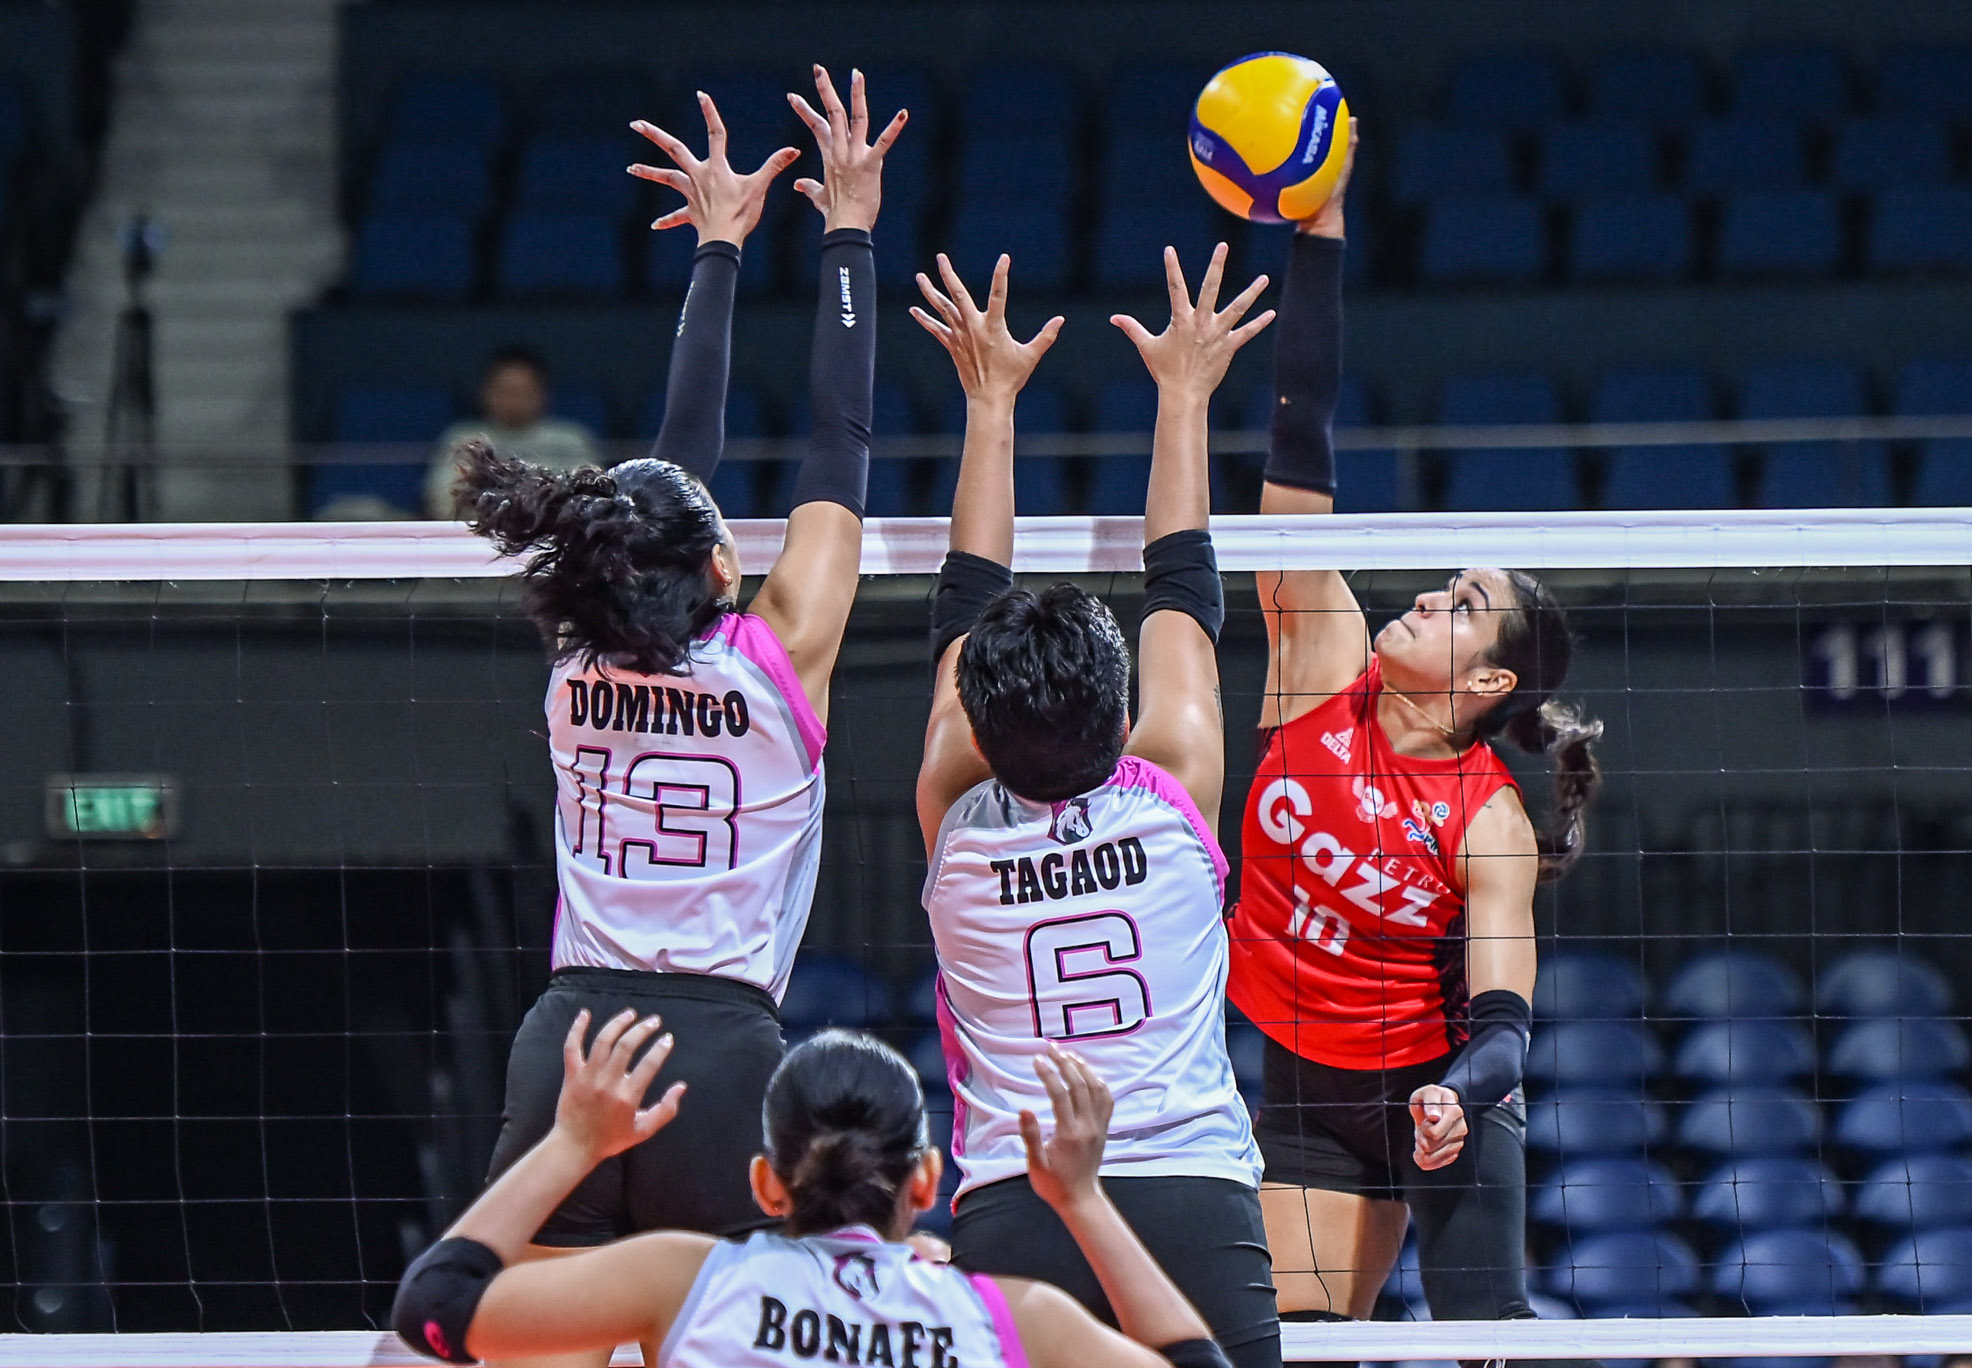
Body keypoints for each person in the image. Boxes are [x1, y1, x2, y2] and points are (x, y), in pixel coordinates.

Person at [449, 65, 905, 1333]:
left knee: (529, 1344)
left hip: (571, 1037)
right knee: (711, 1345)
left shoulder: (574, 659)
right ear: (719, 568)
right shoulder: (782, 654)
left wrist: (715, 248)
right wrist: (847, 232)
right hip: (718, 1047)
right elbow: (839, 441)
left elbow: (669, 467)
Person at [1224, 127, 1604, 1367]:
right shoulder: (1318, 666)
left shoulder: (1487, 817)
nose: (1429, 597)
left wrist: (1459, 1092)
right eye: (1443, 584)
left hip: (1439, 1096)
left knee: (1487, 1353)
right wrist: (1318, 239)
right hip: (1303, 1083)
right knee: (1297, 1349)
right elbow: (1299, 446)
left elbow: (1502, 1022)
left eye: (1459, 606)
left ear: (1488, 682)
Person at [910, 243, 1280, 1368]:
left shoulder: (953, 812)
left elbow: (964, 600)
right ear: (1121, 717)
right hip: (1192, 1197)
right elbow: (1184, 581)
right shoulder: (1174, 785)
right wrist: (1184, 394)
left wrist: (988, 406)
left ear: (977, 732)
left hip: (1014, 1197)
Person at [394, 1012, 1244, 1368]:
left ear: (767, 1184)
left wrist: (574, 1143)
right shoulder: (1004, 1320)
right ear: (925, 1180)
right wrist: (1081, 1199)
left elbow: (435, 1309)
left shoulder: (687, 1282)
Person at [424, 346, 603, 519]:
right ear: (485, 392)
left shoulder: (569, 438)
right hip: (480, 531)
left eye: (523, 392)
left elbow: (591, 498)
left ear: (544, 394)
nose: (514, 401)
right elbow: (442, 500)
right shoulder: (464, 437)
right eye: (505, 392)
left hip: (555, 532)